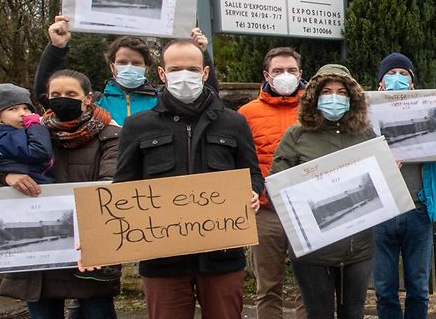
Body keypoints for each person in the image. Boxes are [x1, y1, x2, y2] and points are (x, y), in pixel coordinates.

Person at [114, 39, 263, 319]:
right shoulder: (137, 126)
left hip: (223, 254)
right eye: (176, 68)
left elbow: (252, 172)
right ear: (162, 74)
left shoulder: (234, 122)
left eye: (192, 69)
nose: (185, 75)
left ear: (205, 73)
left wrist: (253, 191)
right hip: (162, 258)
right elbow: (123, 186)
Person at [0, 69, 123, 319]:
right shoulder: (25, 133)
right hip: (38, 254)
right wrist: (6, 177)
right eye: (55, 94)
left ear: (87, 98)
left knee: (98, 313)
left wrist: (95, 237)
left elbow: (110, 185)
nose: (62, 99)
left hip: (88, 250)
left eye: (70, 94)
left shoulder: (110, 136)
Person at [370, 52, 436, 319]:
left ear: (413, 84)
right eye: (390, 75)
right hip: (381, 213)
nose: (397, 79)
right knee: (384, 289)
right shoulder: (366, 113)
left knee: (418, 288)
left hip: (418, 211)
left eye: (403, 75)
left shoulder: (429, 109)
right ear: (380, 84)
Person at [271, 64, 377, 319]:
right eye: (327, 91)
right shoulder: (296, 135)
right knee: (319, 314)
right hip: (312, 252)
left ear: (351, 98)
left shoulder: (364, 133)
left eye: (341, 92)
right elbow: (276, 184)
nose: (334, 97)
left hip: (358, 248)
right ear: (314, 97)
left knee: (353, 313)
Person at [35, 15, 217, 125]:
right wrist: (57, 48)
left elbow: (209, 97)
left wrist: (201, 53)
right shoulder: (95, 103)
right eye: (123, 62)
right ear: (112, 67)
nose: (129, 67)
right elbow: (48, 94)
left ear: (147, 67)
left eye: (136, 63)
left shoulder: (164, 101)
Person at [240, 47, 308, 319]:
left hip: (306, 208)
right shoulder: (245, 113)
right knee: (267, 287)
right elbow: (241, 160)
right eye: (278, 71)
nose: (285, 76)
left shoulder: (313, 109)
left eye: (291, 70)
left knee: (309, 285)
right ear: (266, 75)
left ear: (301, 74)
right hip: (266, 211)